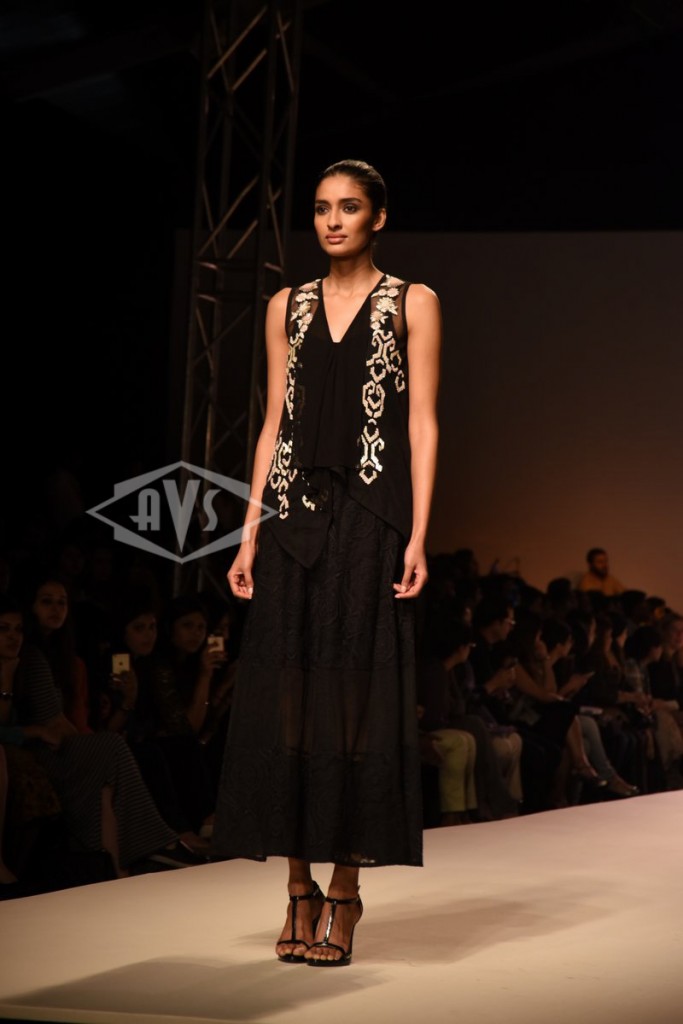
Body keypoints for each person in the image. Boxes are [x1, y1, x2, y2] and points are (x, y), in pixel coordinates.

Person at [212, 158, 441, 966]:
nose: (332, 221)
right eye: (319, 208)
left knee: (354, 701)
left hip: (370, 518)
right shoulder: (288, 305)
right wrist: (247, 532)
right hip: (291, 518)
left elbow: (421, 423)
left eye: (347, 207)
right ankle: (296, 887)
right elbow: (274, 420)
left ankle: (344, 889)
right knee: (291, 699)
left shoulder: (412, 302)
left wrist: (416, 534)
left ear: (378, 217)